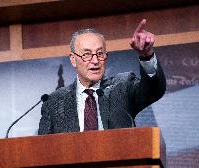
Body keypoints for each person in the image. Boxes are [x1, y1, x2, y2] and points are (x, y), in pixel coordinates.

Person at [38, 19, 166, 134]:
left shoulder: (122, 87)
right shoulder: (53, 102)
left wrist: (146, 55)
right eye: (87, 54)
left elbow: (153, 90)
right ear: (73, 59)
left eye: (100, 53)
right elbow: (43, 150)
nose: (95, 61)